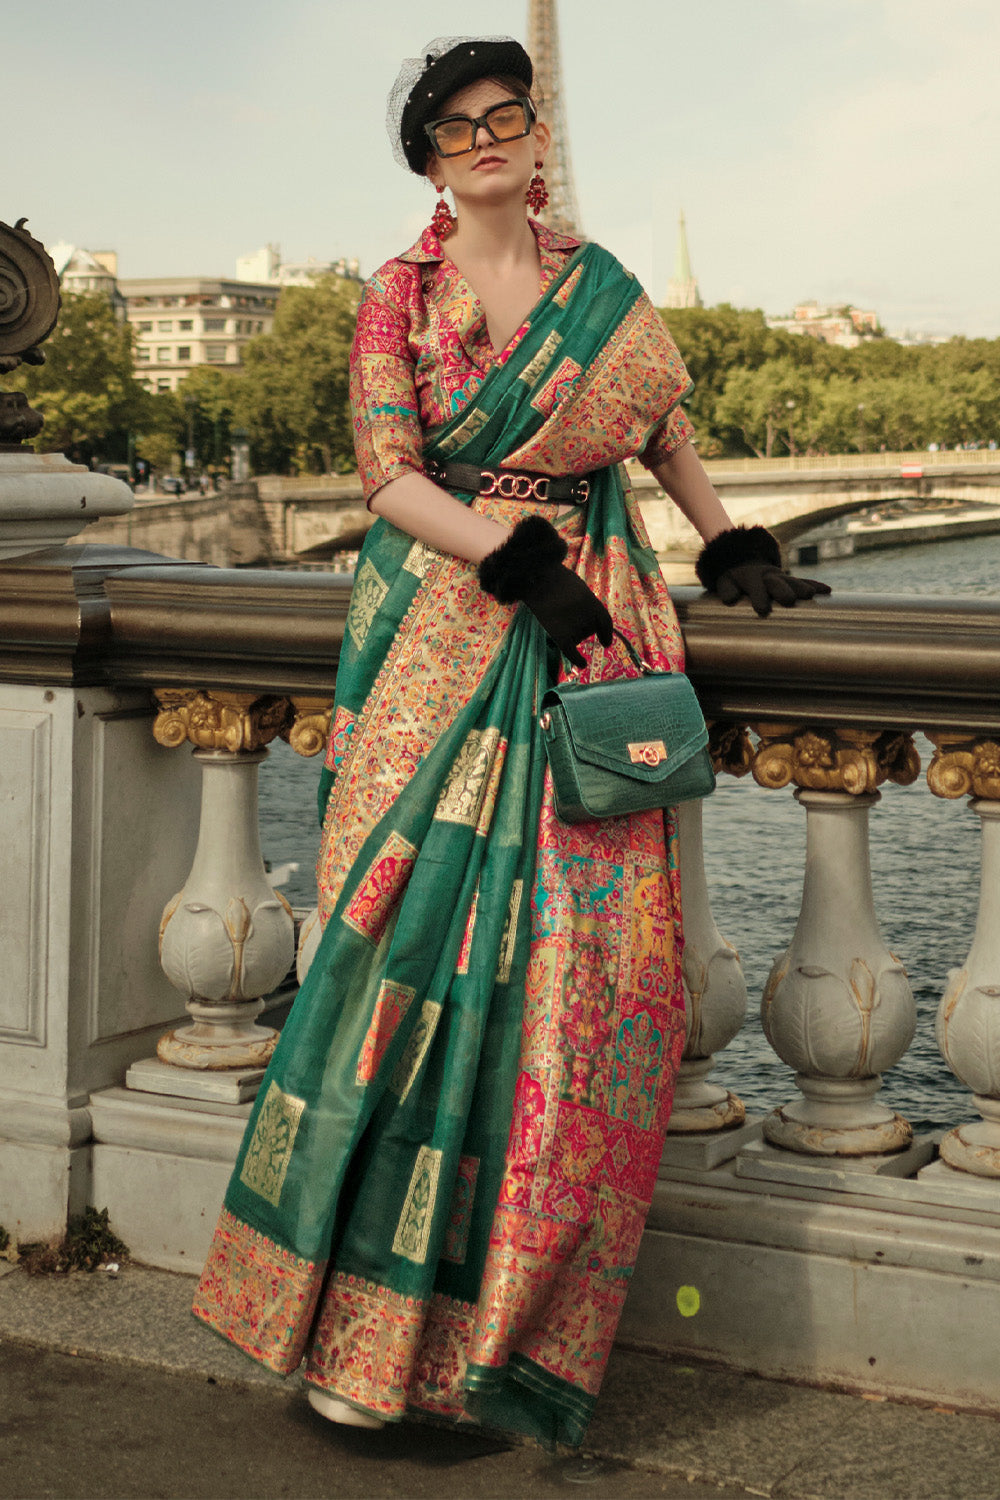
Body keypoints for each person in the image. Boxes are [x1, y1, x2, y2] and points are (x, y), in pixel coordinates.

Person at [193, 35, 829, 1448]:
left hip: (598, 633)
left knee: (571, 999)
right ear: (427, 156)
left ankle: (496, 1343)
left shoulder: (600, 290)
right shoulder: (397, 296)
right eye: (459, 126)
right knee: (396, 966)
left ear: (537, 136)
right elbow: (389, 477)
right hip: (450, 639)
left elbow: (662, 435)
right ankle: (354, 1352)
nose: (490, 141)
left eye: (509, 118)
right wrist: (519, 565)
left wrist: (732, 548)